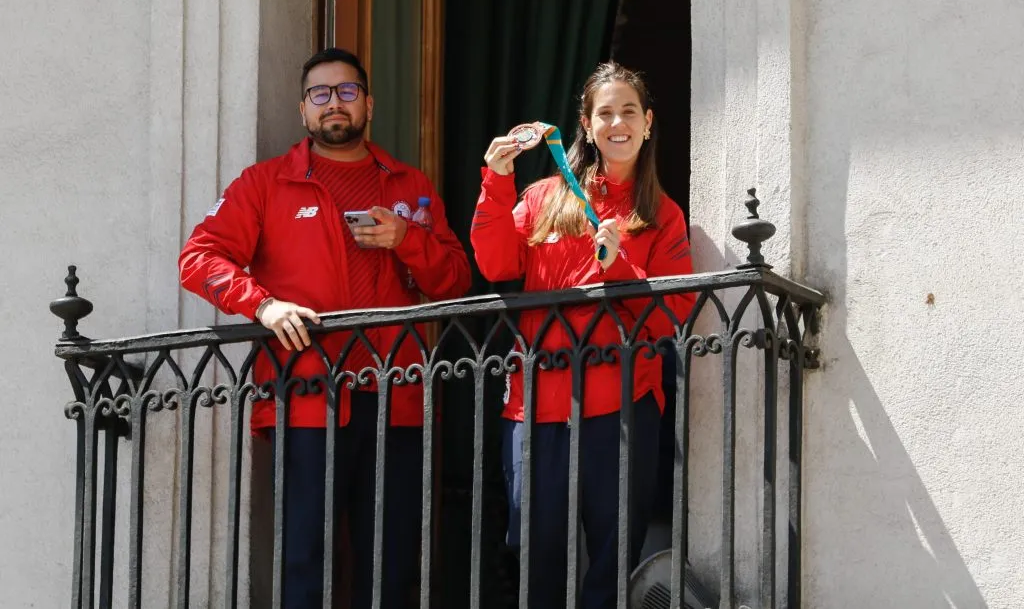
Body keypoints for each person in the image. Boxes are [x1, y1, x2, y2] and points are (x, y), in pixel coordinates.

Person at [179, 47, 471, 608]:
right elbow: (198, 258)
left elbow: (455, 280)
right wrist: (264, 307)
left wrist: (405, 240)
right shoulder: (266, 183)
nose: (333, 103)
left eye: (346, 91)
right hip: (308, 395)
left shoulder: (408, 184)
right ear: (303, 110)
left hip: (397, 398)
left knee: (389, 562)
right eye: (320, 94)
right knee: (304, 559)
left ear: (368, 103)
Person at [470, 61, 696, 609]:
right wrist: (496, 180)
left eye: (628, 112)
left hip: (622, 405)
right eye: (605, 113)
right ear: (586, 124)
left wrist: (619, 267)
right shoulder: (545, 195)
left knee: (613, 558)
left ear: (648, 124)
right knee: (536, 554)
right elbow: (496, 263)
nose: (617, 123)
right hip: (536, 406)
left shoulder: (663, 215)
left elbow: (675, 314)